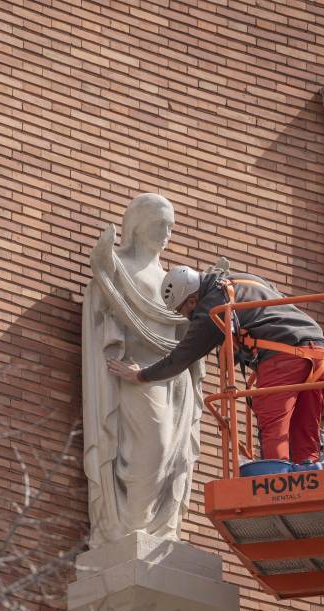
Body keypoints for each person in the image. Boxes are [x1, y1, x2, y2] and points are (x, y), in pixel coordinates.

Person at [109, 266, 324, 464]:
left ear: (192, 301)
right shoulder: (241, 280)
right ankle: (308, 474)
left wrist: (141, 375)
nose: (187, 318)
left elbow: (181, 358)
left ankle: (274, 482)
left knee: (273, 426)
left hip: (284, 358)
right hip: (318, 350)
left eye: (183, 312)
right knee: (305, 428)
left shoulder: (211, 309)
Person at [81, 193, 203, 547]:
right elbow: (105, 313)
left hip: (174, 377)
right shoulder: (118, 270)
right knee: (154, 447)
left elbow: (183, 330)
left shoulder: (172, 280)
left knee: (173, 457)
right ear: (137, 226)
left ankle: (158, 530)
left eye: (170, 226)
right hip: (135, 374)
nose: (167, 232)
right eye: (158, 224)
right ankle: (130, 527)